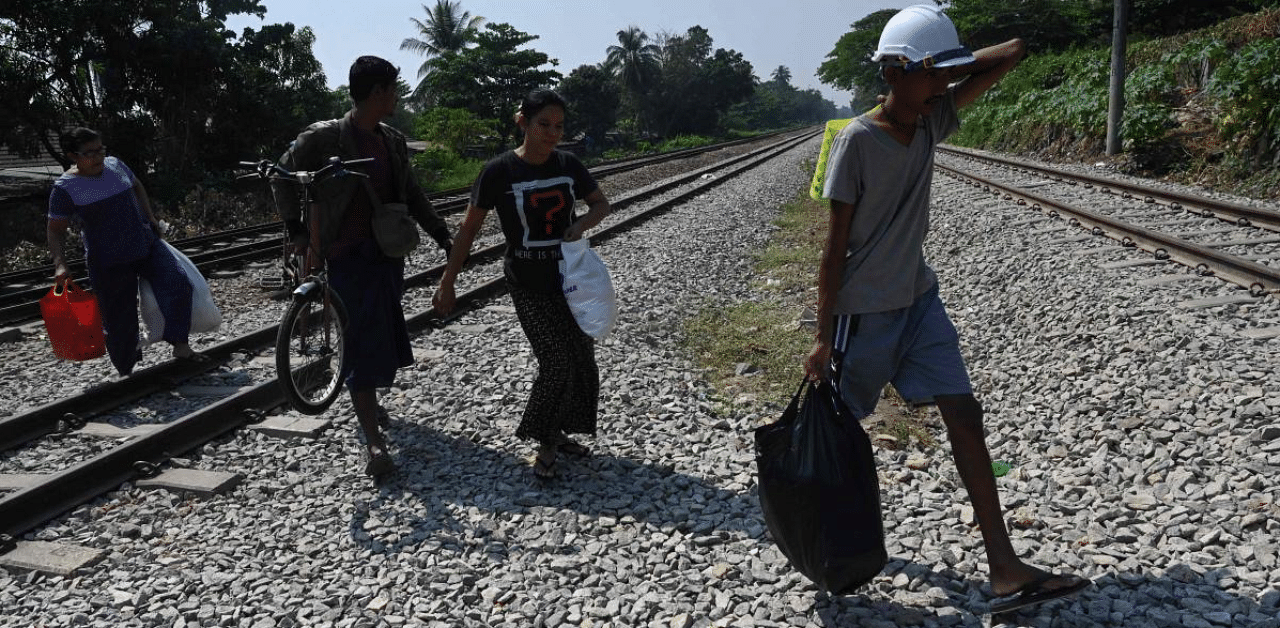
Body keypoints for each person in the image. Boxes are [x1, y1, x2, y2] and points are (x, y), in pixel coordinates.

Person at [804, 5, 1090, 615]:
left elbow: (1011, 51)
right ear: (895, 71)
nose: (943, 89)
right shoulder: (856, 141)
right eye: (932, 76)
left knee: (965, 415)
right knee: (838, 432)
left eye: (946, 78)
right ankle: (826, 549)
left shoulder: (931, 121)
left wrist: (945, 59)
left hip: (918, 301)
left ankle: (1005, 569)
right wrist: (823, 337)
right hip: (865, 313)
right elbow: (832, 251)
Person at [272, 55, 453, 479]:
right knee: (360, 343)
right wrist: (297, 230)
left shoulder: (391, 140)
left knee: (377, 339)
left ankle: (366, 400)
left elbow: (411, 192)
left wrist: (442, 234)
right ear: (376, 93)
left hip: (387, 255)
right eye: (392, 88)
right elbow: (281, 175)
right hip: (346, 259)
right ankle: (373, 443)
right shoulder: (325, 139)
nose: (396, 95)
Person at [432, 90, 612, 480]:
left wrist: (580, 224)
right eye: (543, 124)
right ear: (523, 123)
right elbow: (468, 230)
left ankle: (560, 431)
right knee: (556, 361)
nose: (552, 134)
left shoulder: (569, 164)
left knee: (582, 358)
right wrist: (448, 281)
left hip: (570, 278)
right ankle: (545, 440)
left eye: (559, 126)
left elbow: (601, 204)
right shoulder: (498, 171)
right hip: (528, 281)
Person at [47, 127, 207, 375]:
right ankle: (127, 369)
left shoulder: (116, 165)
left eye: (100, 149)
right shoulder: (65, 188)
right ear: (72, 156)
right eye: (89, 153)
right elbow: (55, 230)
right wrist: (60, 264)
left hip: (146, 244)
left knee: (177, 283)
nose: (98, 157)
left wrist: (150, 217)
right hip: (109, 260)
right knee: (119, 318)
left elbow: (137, 186)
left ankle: (181, 345)